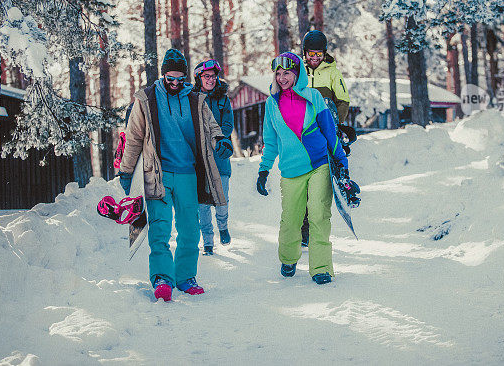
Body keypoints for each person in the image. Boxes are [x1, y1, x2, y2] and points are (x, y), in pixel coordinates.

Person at [118, 48, 234, 301]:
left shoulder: (195, 98)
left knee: (190, 228)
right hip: (156, 173)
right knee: (160, 228)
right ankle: (161, 277)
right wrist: (126, 171)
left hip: (187, 173)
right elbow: (134, 138)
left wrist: (221, 141)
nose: (175, 83)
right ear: (162, 76)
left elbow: (211, 126)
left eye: (180, 79)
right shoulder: (146, 99)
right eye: (170, 78)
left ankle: (185, 276)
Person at [255, 52, 349, 285]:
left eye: (287, 72)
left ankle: (321, 268)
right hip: (290, 170)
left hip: (319, 164)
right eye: (278, 73)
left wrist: (341, 163)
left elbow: (330, 131)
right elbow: (270, 140)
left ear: (297, 73)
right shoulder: (271, 103)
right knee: (291, 220)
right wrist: (264, 170)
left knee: (319, 215)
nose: (282, 77)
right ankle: (288, 258)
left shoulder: (314, 96)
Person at [300, 29, 351, 247]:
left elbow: (343, 101)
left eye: (318, 55)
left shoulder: (332, 72)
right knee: (303, 183)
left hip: (326, 130)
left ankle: (343, 181)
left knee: (320, 183)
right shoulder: (298, 71)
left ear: (324, 54)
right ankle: (303, 231)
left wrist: (334, 124)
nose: (314, 59)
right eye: (311, 55)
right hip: (302, 134)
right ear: (305, 54)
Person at [192, 58, 234, 255]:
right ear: (199, 78)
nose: (210, 80)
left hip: (219, 155)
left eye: (213, 76)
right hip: (199, 158)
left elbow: (227, 124)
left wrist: (221, 140)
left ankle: (223, 226)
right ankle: (208, 240)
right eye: (206, 76)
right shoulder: (191, 99)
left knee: (221, 197)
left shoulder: (223, 99)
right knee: (202, 203)